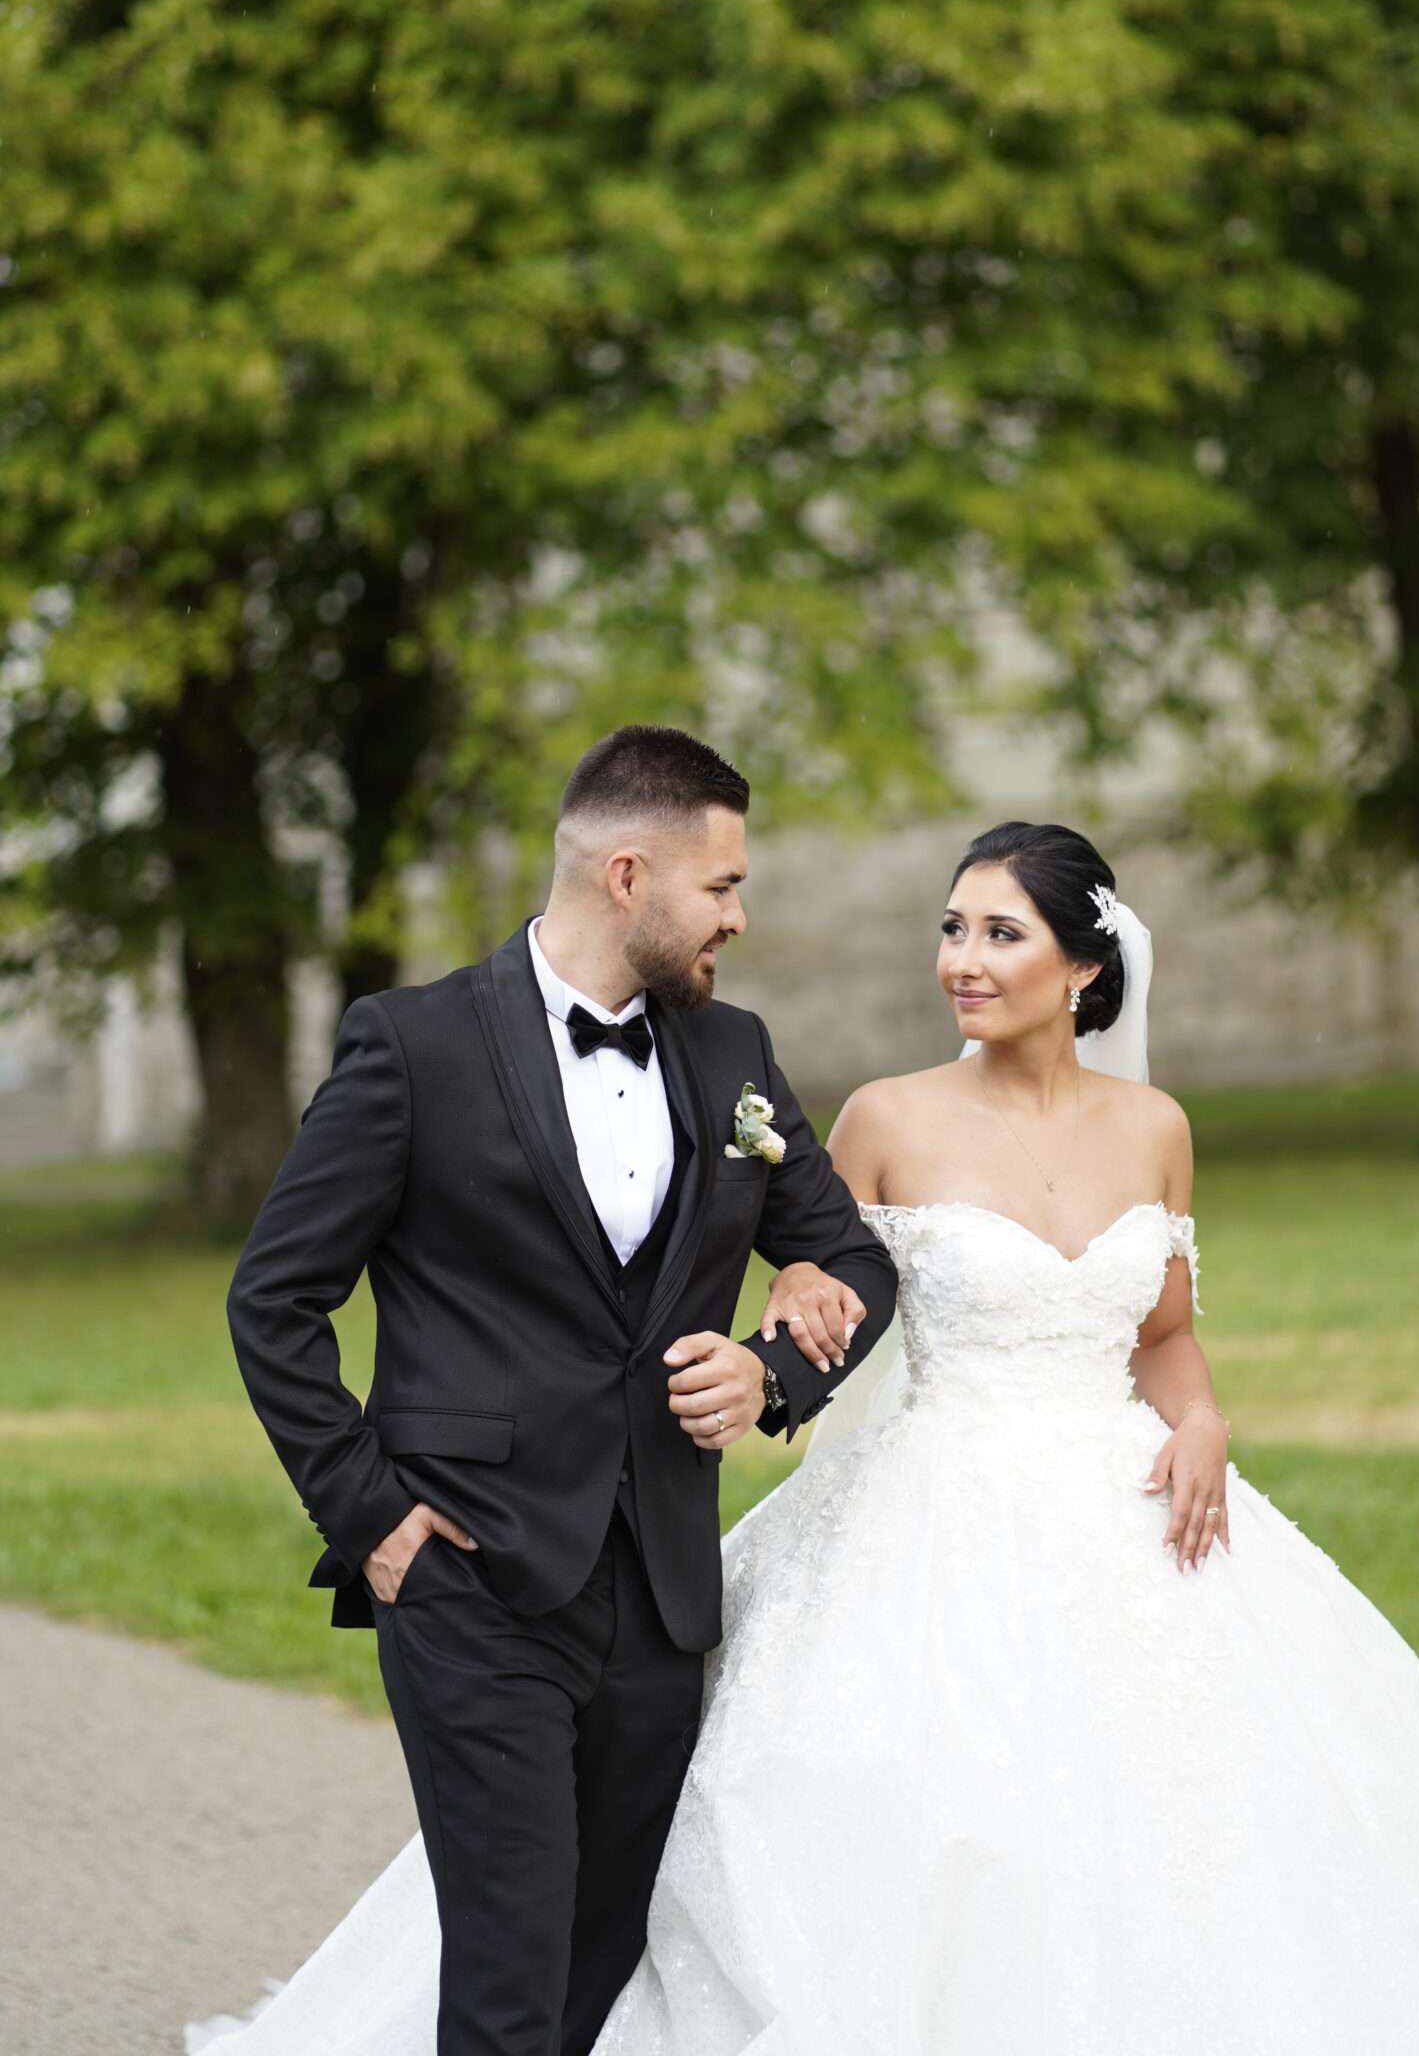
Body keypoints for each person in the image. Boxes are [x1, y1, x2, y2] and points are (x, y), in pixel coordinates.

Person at [201, 815, 1419, 2056]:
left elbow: (1163, 1335)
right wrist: (779, 1344)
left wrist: (1205, 1422)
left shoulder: (1157, 1129)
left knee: (1191, 1841)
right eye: (953, 929)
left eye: (999, 935)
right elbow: (823, 1268)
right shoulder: (883, 1114)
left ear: (1083, 968)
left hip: (1126, 1520)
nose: (962, 960)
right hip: (923, 1518)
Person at [219, 725, 897, 2056]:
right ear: (627, 877)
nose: (740, 917)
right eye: (722, 887)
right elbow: (274, 1300)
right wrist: (373, 1517)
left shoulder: (736, 1054)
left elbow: (858, 1259)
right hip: (470, 1576)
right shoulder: (411, 1046)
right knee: (510, 1974)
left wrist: (768, 1374)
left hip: (661, 1591)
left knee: (610, 1963)